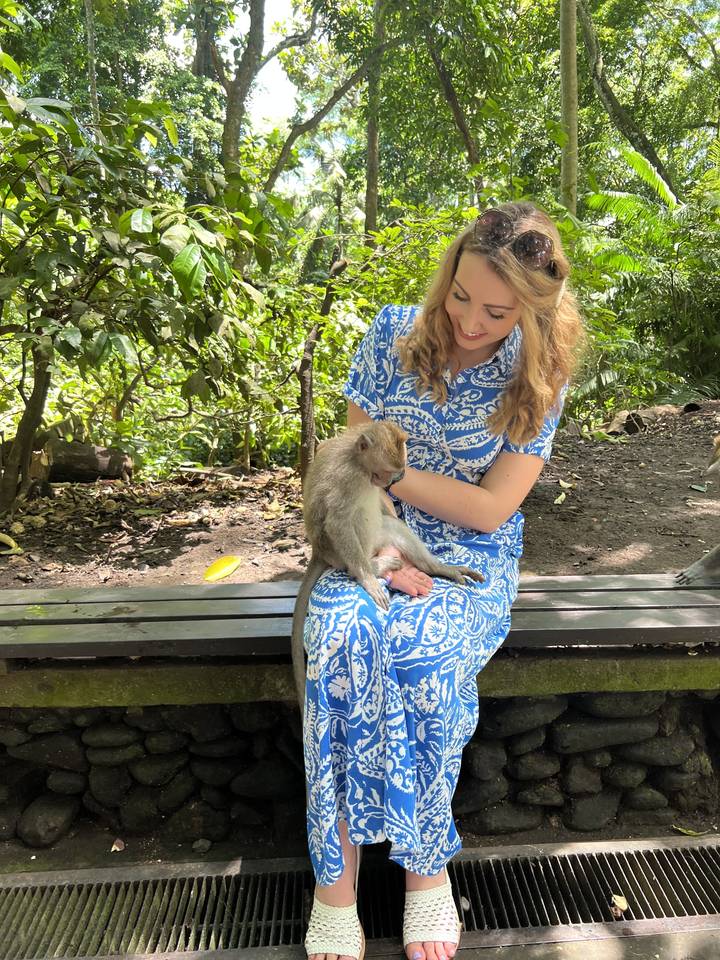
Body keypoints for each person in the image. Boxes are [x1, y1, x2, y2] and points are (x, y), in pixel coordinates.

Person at [302, 201, 583, 960]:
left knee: (422, 656)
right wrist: (383, 556)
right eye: (460, 296)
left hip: (470, 556)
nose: (470, 320)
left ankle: (426, 871)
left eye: (497, 311)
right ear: (446, 278)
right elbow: (344, 467)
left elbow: (492, 508)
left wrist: (397, 474)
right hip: (362, 533)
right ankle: (336, 883)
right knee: (339, 640)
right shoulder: (392, 334)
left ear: (533, 307)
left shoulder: (541, 375)